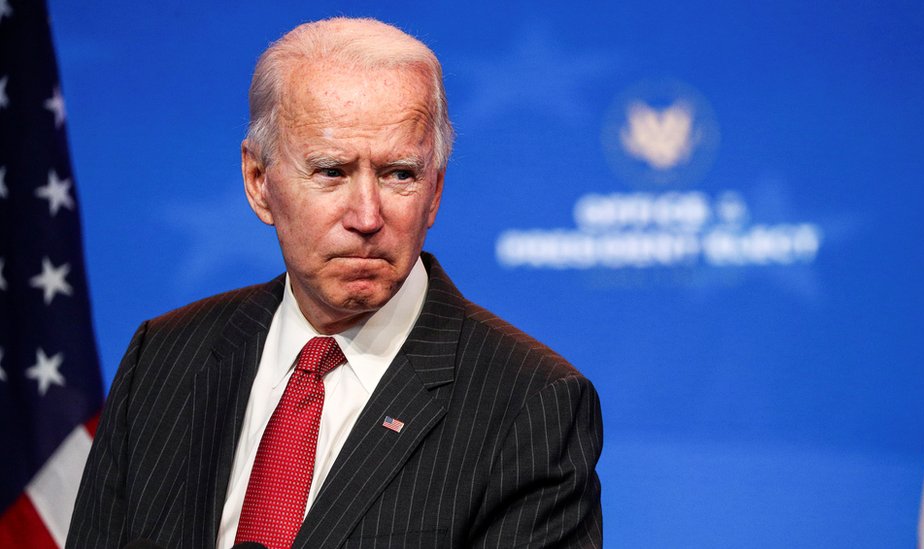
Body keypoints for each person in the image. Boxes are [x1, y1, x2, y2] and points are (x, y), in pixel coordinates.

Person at [67, 17, 602, 549]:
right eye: (331, 172)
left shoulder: (531, 402)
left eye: (399, 174)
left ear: (434, 192)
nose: (367, 215)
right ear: (258, 182)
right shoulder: (163, 358)